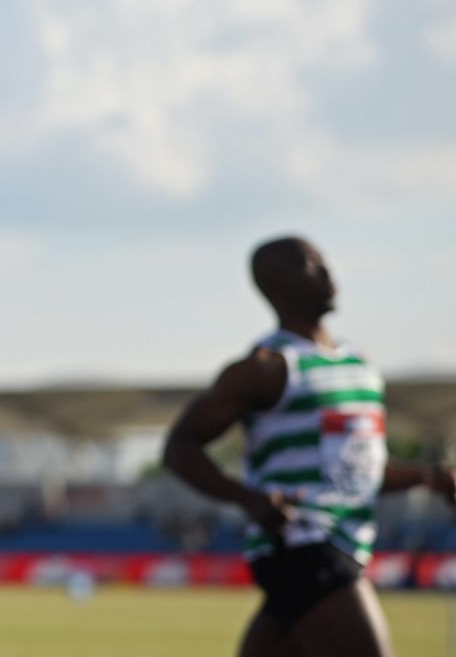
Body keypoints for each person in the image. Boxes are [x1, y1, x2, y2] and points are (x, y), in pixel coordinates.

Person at [162, 236, 454, 657]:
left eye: (323, 259)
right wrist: (247, 498)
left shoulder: (360, 367)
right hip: (301, 543)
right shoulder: (267, 368)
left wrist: (427, 477)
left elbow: (358, 471)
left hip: (347, 543)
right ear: (275, 284)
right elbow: (179, 447)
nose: (327, 271)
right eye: (308, 264)